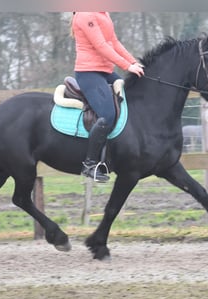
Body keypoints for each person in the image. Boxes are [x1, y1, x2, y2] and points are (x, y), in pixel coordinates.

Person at [71, 12, 144, 182]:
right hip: (88, 72)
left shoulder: (103, 12)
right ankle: (89, 165)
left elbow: (114, 42)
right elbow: (101, 45)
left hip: (105, 71)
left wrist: (133, 62)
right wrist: (127, 66)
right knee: (108, 115)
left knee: (129, 98)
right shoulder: (85, 14)